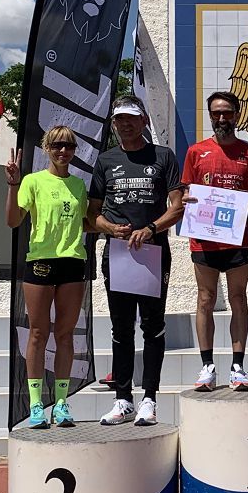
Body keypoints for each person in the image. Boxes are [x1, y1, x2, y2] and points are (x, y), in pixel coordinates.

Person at [88, 96, 184, 426]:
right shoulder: (106, 160)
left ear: (143, 120)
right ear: (113, 124)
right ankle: (123, 399)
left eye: (130, 118)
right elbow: (92, 215)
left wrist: (151, 228)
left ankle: (150, 399)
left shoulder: (163, 156)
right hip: (117, 255)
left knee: (153, 328)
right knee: (121, 329)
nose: (124, 124)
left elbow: (178, 205)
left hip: (153, 253)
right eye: (119, 120)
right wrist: (110, 228)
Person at [5, 126, 89, 429]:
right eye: (56, 146)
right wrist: (13, 186)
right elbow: (13, 220)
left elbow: (90, 222)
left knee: (65, 335)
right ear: (46, 148)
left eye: (68, 146)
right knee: (38, 334)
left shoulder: (80, 185)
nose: (63, 151)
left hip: (72, 263)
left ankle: (62, 404)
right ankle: (37, 404)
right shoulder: (33, 181)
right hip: (40, 262)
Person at [181, 91, 248, 392]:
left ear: (237, 115)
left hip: (238, 239)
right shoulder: (195, 152)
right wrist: (186, 199)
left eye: (227, 113)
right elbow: (182, 193)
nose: (222, 118)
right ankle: (207, 366)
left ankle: (237, 366)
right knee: (205, 299)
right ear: (210, 115)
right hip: (204, 239)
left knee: (238, 299)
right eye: (216, 113)